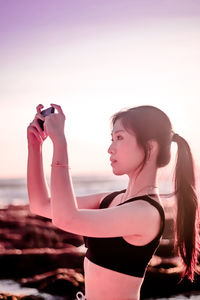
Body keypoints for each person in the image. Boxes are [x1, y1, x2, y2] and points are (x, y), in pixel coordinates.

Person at [27, 104, 199, 300]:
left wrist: (60, 143)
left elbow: (66, 218)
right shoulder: (112, 199)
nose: (110, 149)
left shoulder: (145, 213)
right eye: (112, 139)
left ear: (150, 147)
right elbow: (41, 205)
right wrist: (35, 146)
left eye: (119, 137)